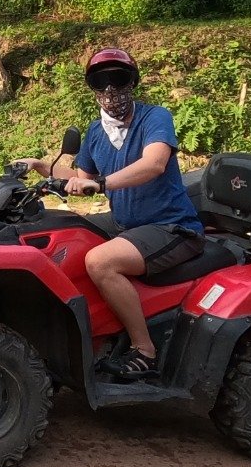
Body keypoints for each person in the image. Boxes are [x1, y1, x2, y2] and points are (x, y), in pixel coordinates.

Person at [16, 48, 204, 379]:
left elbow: (154, 164)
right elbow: (81, 179)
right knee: (63, 235)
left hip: (171, 226)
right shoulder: (96, 132)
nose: (110, 90)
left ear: (132, 82)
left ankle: (145, 350)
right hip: (124, 222)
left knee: (100, 261)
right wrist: (38, 166)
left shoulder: (154, 118)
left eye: (118, 79)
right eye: (100, 82)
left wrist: (102, 184)